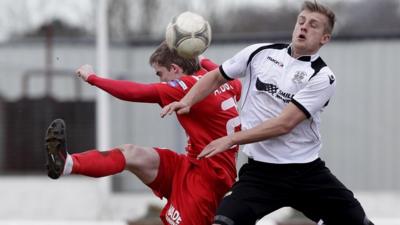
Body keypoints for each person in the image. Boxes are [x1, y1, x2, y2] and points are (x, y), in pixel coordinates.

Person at [161, 1, 374, 225]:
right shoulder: (259, 53)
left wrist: (231, 138)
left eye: (313, 25)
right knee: (224, 221)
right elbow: (217, 76)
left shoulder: (321, 76)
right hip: (260, 174)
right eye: (301, 21)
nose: (303, 27)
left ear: (325, 38)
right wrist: (187, 101)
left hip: (306, 174)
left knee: (358, 222)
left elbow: (284, 124)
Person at [44, 42, 242, 225]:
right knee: (132, 154)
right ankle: (68, 163)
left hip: (207, 182)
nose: (161, 80)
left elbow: (137, 92)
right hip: (192, 164)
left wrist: (93, 78)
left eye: (160, 73)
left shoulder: (188, 86)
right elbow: (218, 69)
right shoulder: (228, 83)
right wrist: (197, 53)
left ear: (174, 69)